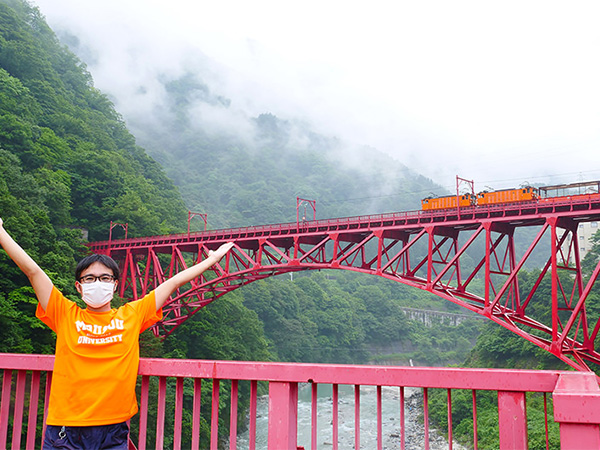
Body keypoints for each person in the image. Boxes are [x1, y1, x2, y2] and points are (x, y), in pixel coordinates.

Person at [0, 216, 233, 449]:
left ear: (115, 285)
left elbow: (172, 283)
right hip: (66, 427)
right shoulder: (64, 314)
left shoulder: (133, 314)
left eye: (104, 278)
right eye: (89, 278)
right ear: (79, 286)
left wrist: (211, 260)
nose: (97, 283)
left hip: (113, 429)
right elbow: (33, 271)